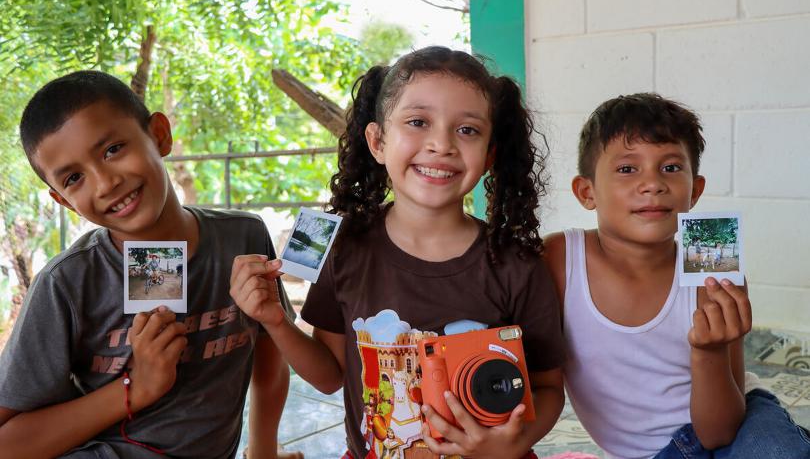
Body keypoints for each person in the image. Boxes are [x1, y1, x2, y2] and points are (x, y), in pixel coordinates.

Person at [230, 46, 566, 459]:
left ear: (490, 153)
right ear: (377, 141)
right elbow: (330, 377)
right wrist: (276, 321)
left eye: (467, 130)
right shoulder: (345, 248)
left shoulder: (516, 263)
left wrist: (511, 444)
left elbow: (548, 388)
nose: (441, 144)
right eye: (418, 122)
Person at [0, 71, 301, 459]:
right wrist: (136, 389)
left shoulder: (242, 238)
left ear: (159, 134)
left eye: (112, 150)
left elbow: (268, 351)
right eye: (75, 178)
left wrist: (263, 450)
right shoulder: (68, 283)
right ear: (62, 200)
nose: (105, 183)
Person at [543, 93, 810, 459]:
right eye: (627, 169)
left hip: (739, 421)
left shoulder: (711, 260)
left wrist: (709, 351)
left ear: (695, 191)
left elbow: (720, 433)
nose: (653, 183)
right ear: (586, 192)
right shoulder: (560, 257)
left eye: (670, 167)